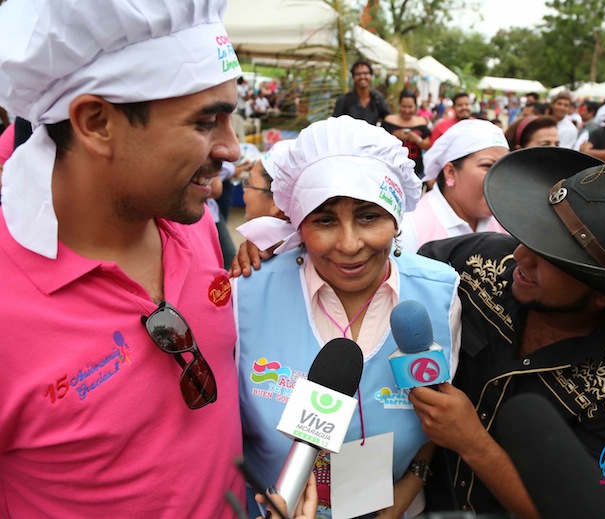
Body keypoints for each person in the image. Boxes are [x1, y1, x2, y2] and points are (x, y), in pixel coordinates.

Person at [0, 0, 247, 516]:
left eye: (230, 116)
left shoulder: (194, 221)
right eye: (206, 122)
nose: (232, 149)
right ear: (96, 123)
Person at [408, 147, 605, 517]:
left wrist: (474, 444)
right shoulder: (477, 260)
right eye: (535, 233)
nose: (521, 257)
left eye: (552, 256)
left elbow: (585, 510)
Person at [233, 116, 461, 518]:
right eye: (324, 221)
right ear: (299, 224)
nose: (350, 244)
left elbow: (438, 408)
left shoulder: (441, 295)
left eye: (369, 217)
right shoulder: (246, 295)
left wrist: (410, 486)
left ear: (397, 218)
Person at [399, 119, 510, 254]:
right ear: (450, 172)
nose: (501, 179)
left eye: (505, 168)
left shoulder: (507, 223)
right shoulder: (410, 229)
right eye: (487, 166)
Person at [382, 89, 432, 178]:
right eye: (404, 106)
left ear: (415, 106)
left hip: (416, 171)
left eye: (410, 107)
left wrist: (416, 139)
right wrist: (394, 136)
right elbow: (380, 144)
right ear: (399, 105)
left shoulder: (421, 121)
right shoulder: (389, 120)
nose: (407, 110)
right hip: (391, 170)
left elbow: (428, 145)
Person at [332, 60, 391, 125]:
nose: (362, 77)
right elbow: (335, 123)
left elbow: (388, 118)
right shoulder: (344, 100)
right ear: (353, 77)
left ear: (371, 76)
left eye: (365, 73)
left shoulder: (377, 98)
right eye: (358, 74)